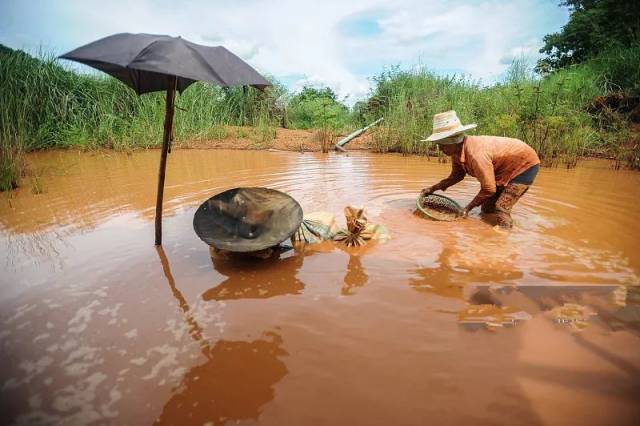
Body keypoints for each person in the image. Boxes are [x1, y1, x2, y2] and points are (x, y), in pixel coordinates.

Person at [421, 111, 540, 228]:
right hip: (502, 168)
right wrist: (433, 188)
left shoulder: (476, 155)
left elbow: (489, 189)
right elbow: (457, 176)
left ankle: (505, 235)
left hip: (525, 165)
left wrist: (467, 208)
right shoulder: (456, 152)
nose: (440, 149)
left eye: (442, 145)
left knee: (501, 207)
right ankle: (491, 229)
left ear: (454, 141)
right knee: (487, 208)